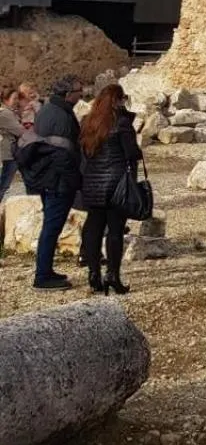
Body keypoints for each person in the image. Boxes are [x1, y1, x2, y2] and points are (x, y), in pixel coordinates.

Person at [77, 83, 140, 295]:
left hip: (93, 182)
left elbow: (84, 153)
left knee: (93, 227)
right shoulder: (121, 123)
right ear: (118, 100)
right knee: (115, 231)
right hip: (116, 182)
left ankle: (94, 272)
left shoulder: (87, 122)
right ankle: (113, 274)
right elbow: (131, 153)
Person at [23, 75, 84, 290]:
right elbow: (63, 156)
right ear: (68, 94)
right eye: (79, 92)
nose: (81, 95)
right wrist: (74, 180)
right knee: (51, 227)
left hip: (47, 177)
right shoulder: (62, 118)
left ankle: (46, 270)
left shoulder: (49, 110)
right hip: (57, 181)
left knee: (51, 226)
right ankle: (42, 276)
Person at [0, 84, 22, 204]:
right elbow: (20, 131)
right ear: (5, 100)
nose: (16, 101)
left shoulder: (9, 112)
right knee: (4, 184)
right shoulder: (6, 114)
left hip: (11, 152)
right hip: (8, 153)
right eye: (14, 99)